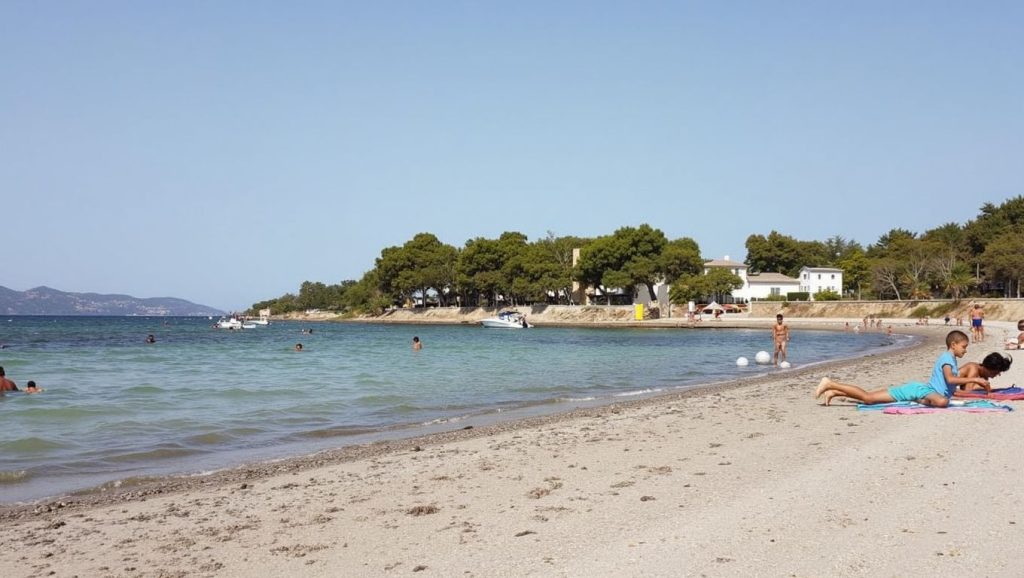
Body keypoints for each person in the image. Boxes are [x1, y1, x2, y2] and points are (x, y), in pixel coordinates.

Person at [815, 330, 988, 407]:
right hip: (918, 390)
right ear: (953, 344)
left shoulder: (950, 358)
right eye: (964, 346)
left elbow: (949, 386)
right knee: (868, 398)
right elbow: (950, 380)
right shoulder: (947, 358)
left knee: (871, 398)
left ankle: (835, 392)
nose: (965, 350)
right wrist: (974, 379)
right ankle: (830, 384)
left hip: (921, 391)